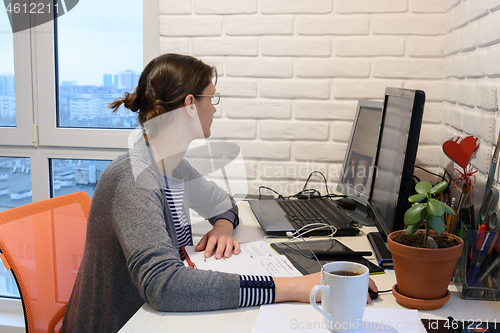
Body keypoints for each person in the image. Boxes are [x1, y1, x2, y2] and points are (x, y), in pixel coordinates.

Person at [61, 53, 377, 333]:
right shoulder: (133, 177)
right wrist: (295, 287)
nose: (214, 109)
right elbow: (164, 286)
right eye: (211, 98)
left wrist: (223, 228)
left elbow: (225, 204)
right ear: (189, 106)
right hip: (124, 323)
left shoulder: (173, 164)